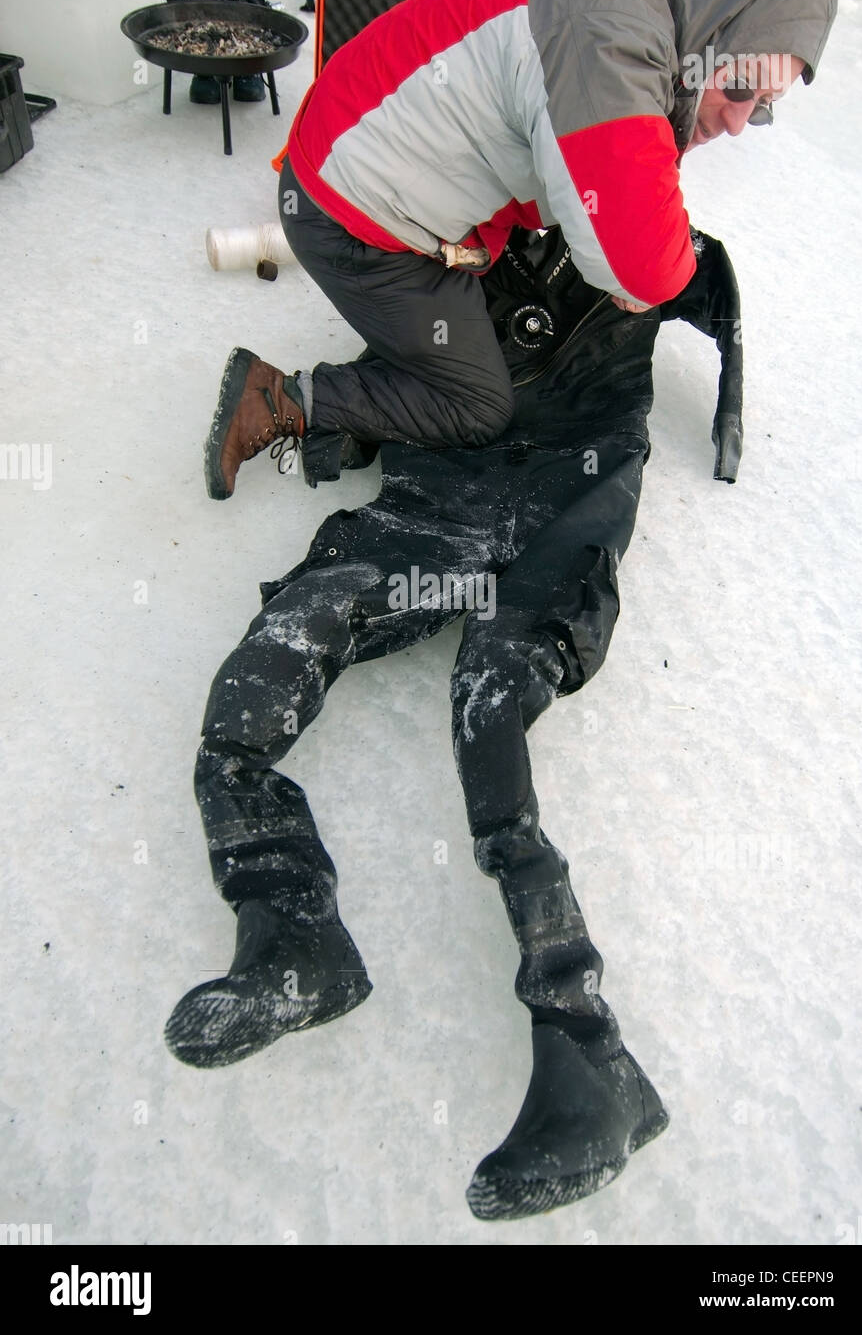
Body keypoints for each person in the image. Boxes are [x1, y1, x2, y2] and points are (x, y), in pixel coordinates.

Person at [165, 218, 745, 1222]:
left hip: (565, 497)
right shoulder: (430, 233)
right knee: (266, 665)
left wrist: (722, 418)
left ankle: (584, 1045)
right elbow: (391, 352)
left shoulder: (646, 235)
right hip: (432, 503)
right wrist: (334, 422)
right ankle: (292, 935)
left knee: (488, 707)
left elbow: (720, 319)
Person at [203, 0, 851, 501]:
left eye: (763, 108)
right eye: (741, 86)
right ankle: (282, 400)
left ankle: (377, 395)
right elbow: (642, 266)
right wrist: (651, 259)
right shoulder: (613, 44)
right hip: (349, 214)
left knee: (515, 309)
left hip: (363, 147)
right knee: (479, 404)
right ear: (721, 26)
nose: (739, 121)